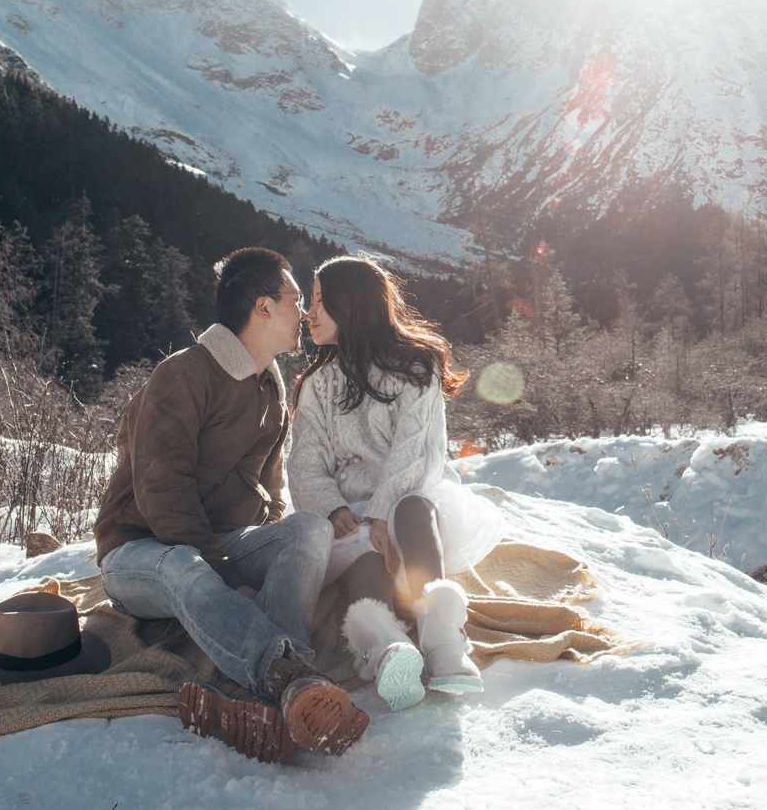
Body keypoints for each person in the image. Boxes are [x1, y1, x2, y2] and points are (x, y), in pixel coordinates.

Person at [93, 247, 365, 764]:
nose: (304, 312)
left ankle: (259, 697)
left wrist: (271, 543)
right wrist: (224, 575)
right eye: (295, 299)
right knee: (184, 564)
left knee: (308, 530)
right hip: (140, 551)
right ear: (262, 307)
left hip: (215, 545)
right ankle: (291, 675)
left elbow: (271, 486)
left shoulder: (270, 384)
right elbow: (161, 490)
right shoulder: (184, 374)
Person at [288, 255, 503, 711]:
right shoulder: (318, 385)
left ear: (352, 304)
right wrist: (333, 508)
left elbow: (415, 454)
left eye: (321, 301)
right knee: (364, 549)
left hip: (413, 507)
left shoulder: (414, 368)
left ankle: (444, 642)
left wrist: (382, 514)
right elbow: (305, 461)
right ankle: (388, 650)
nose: (309, 313)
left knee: (409, 510)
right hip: (354, 516)